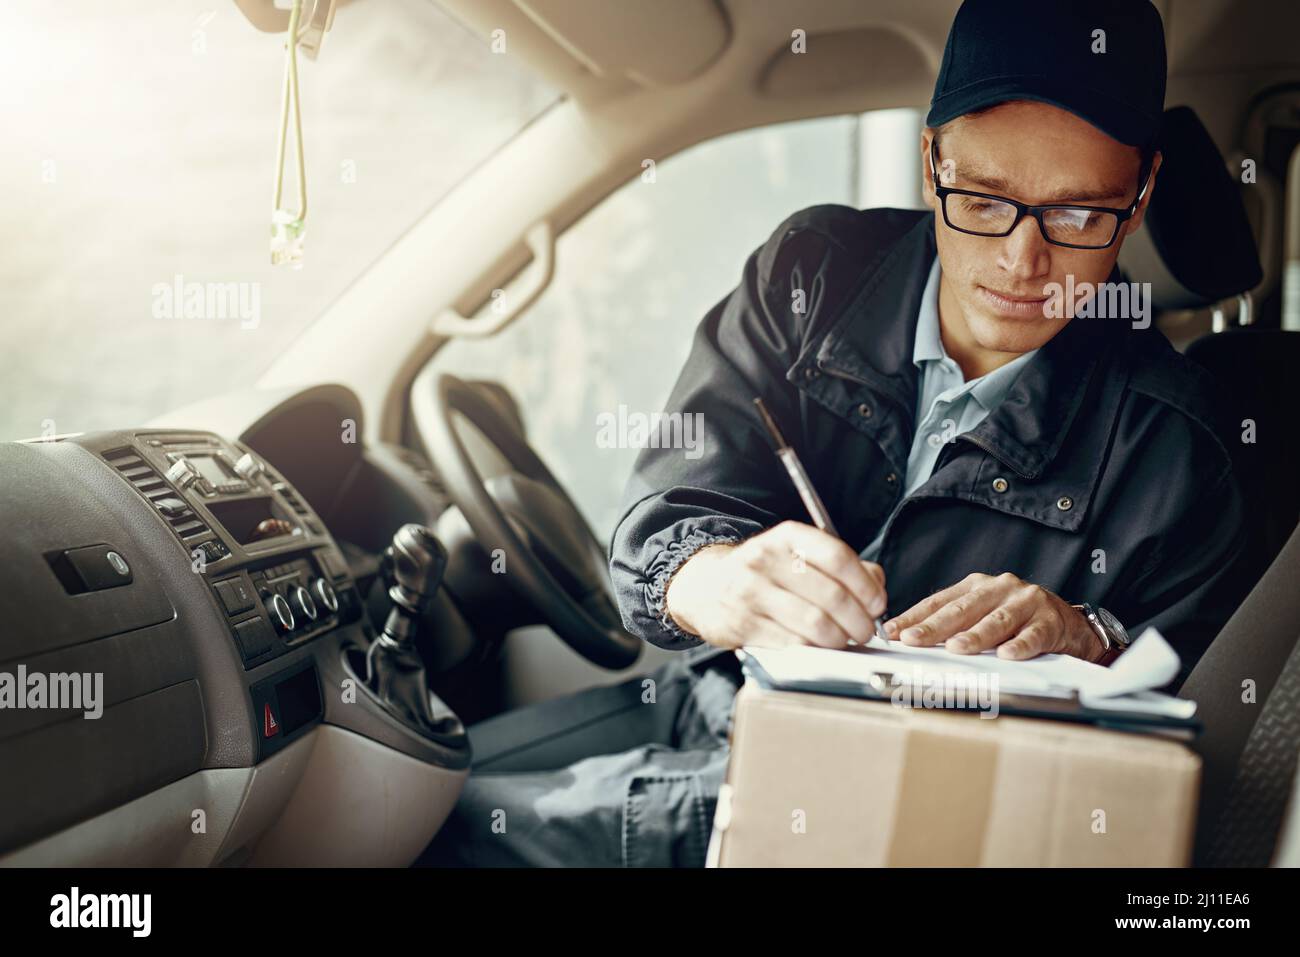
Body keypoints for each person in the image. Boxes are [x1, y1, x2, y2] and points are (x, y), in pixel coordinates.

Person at [421, 0, 1247, 868]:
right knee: (413, 801)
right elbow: (664, 517)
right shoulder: (811, 276)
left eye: (1078, 216)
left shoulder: (1186, 454)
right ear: (931, 163)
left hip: (872, 801)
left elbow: (1194, 760)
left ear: (1142, 191)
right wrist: (713, 578)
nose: (1021, 261)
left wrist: (1097, 636)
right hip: (703, 697)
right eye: (984, 199)